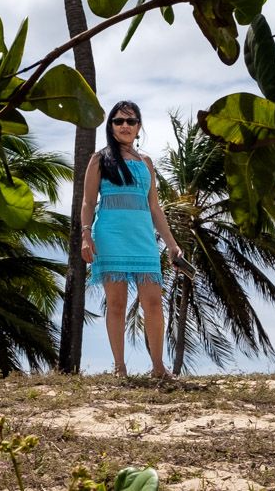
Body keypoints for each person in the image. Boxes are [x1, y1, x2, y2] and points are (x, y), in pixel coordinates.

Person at [80, 101, 181, 379]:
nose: (125, 125)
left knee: (152, 302)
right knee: (116, 303)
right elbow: (88, 201)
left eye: (131, 121)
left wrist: (172, 245)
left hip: (143, 238)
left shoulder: (146, 162)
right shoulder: (99, 159)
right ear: (110, 127)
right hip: (110, 235)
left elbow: (155, 208)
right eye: (118, 121)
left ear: (139, 128)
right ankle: (119, 368)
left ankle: (159, 367)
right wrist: (85, 235)